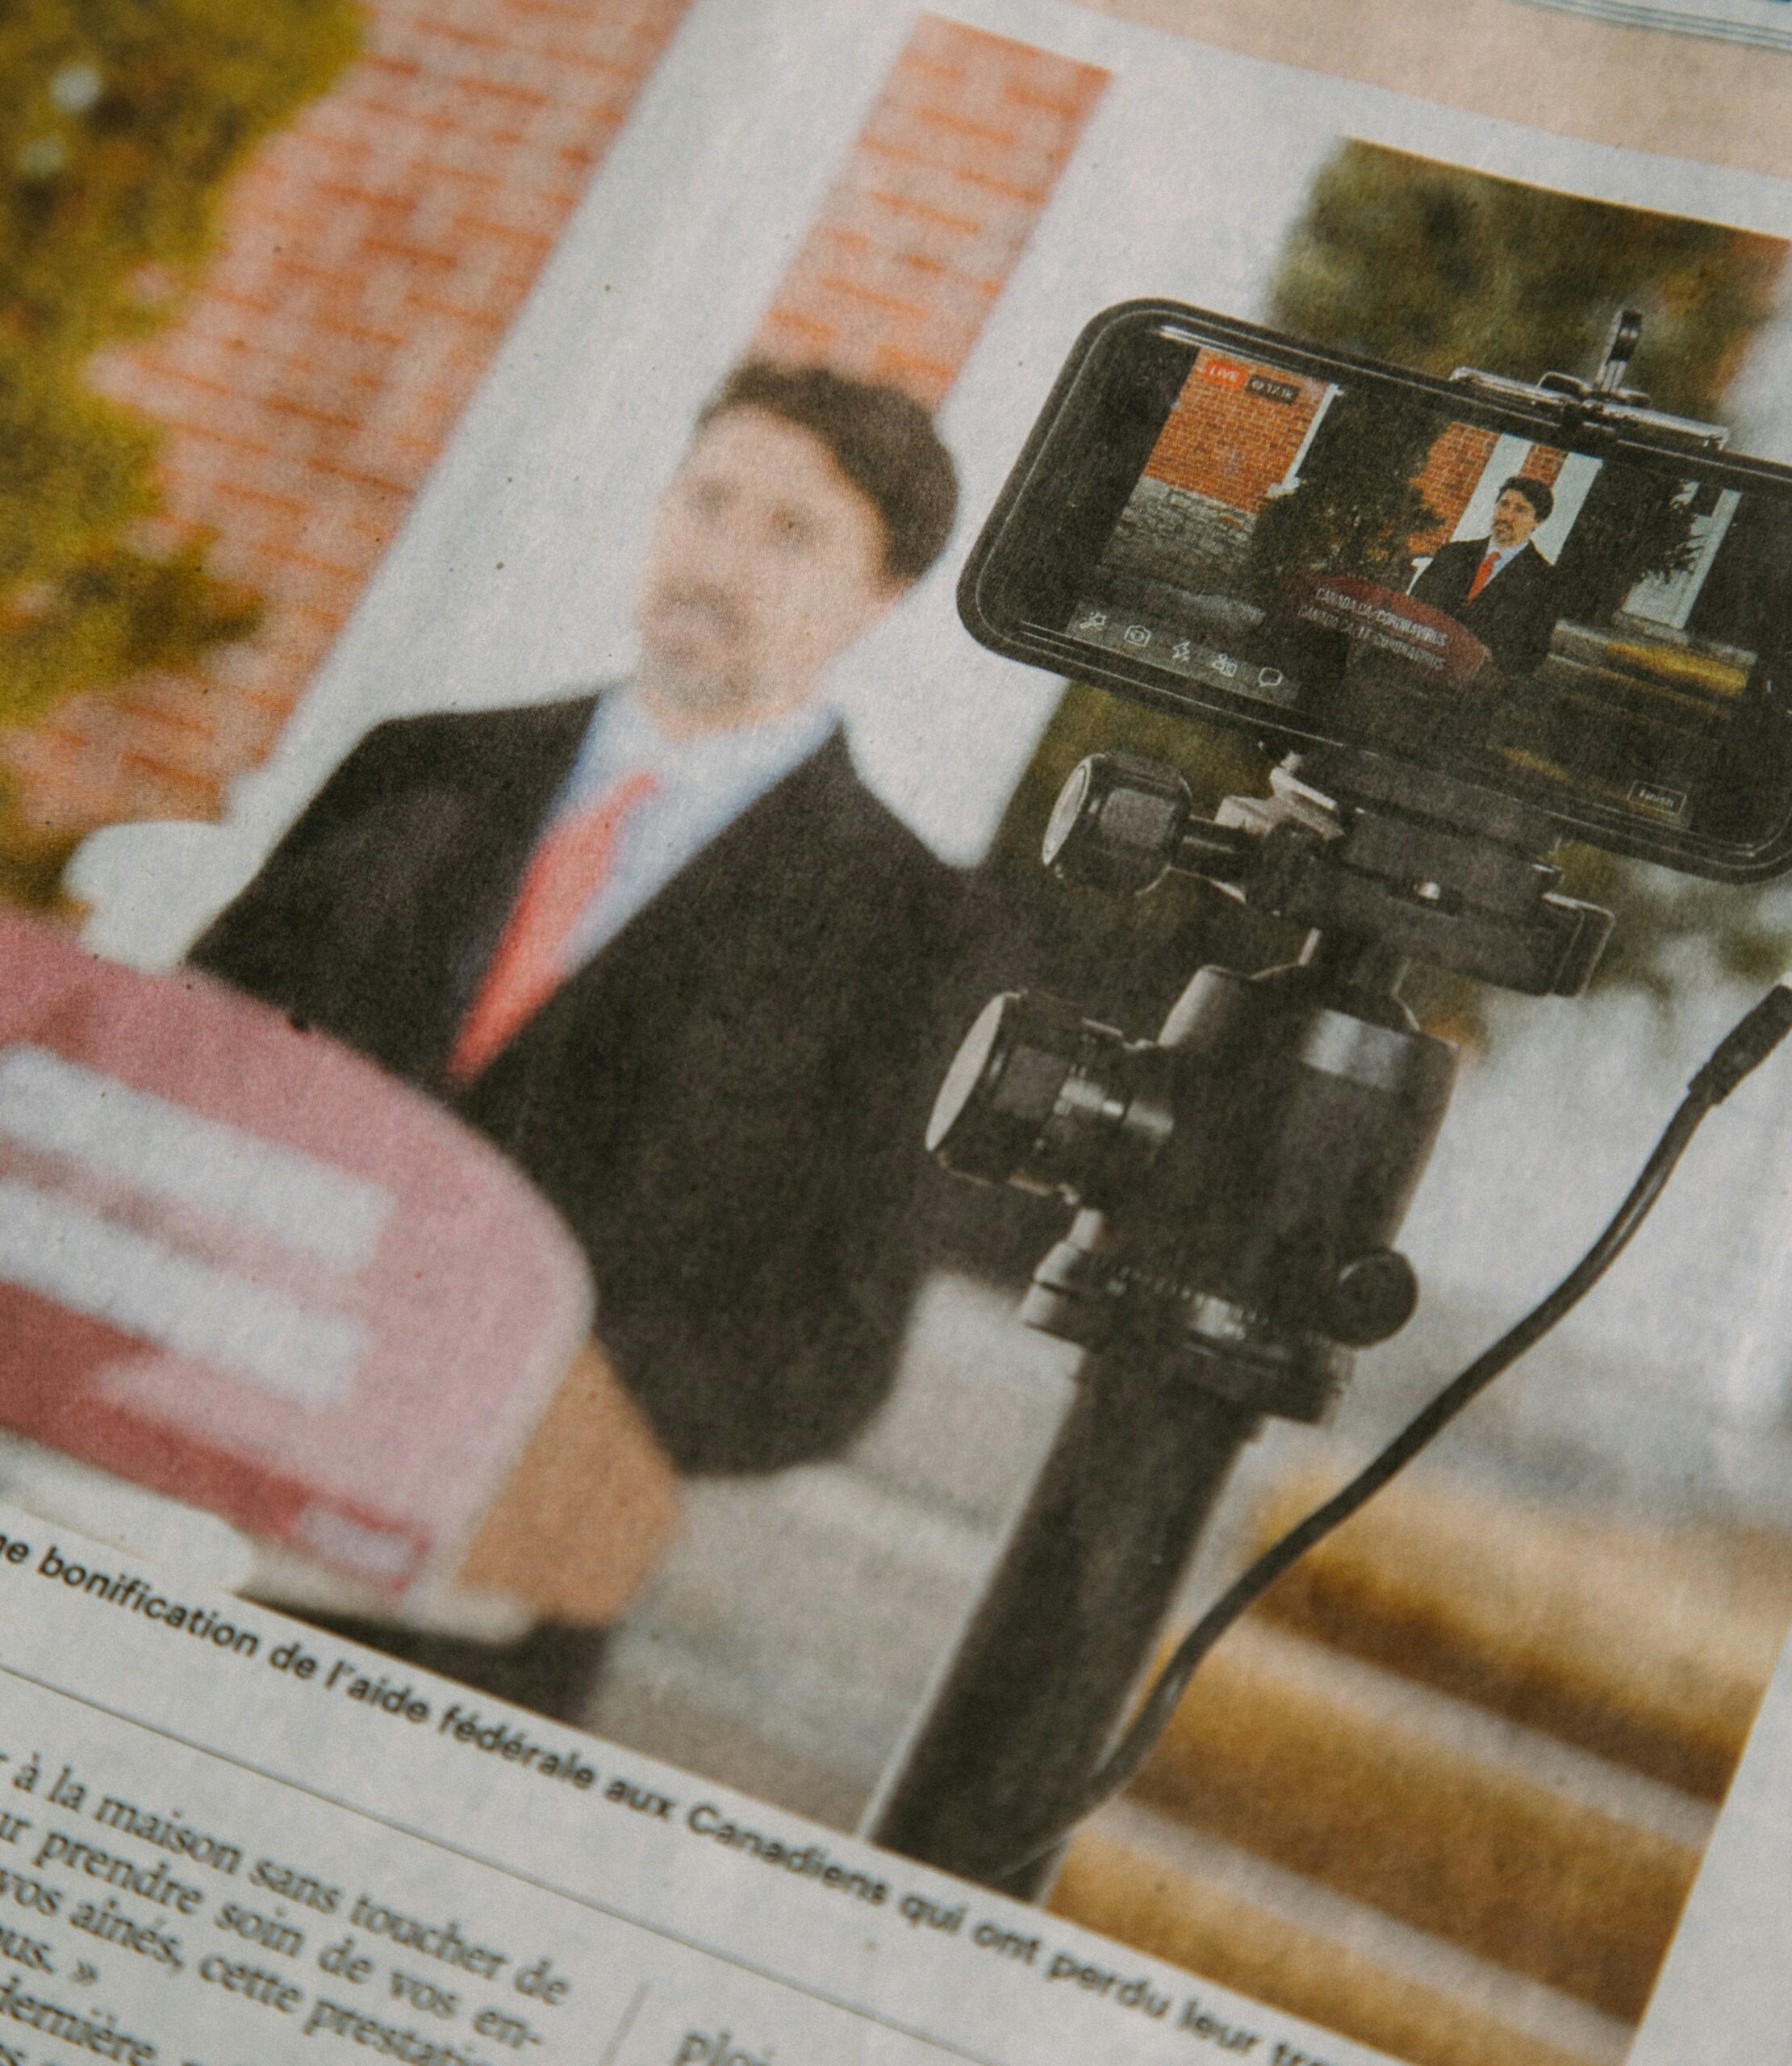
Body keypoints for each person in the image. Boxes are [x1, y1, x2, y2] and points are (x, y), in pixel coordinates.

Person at [190, 359, 963, 1484]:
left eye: (792, 534)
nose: (720, 562)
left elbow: (827, 1346)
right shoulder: (418, 768)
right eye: (705, 503)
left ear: (881, 594)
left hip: (486, 1545)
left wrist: (511, 1416)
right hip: (193, 1427)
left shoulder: (912, 926)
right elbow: (184, 1073)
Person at [1410, 475, 1562, 677]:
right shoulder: (1452, 554)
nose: (1506, 516)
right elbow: (1412, 608)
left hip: (1472, 684)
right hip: (1415, 665)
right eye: (1503, 505)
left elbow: (1532, 652)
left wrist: (1490, 660)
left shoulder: (1545, 581)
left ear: (1538, 522)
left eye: (1520, 510)